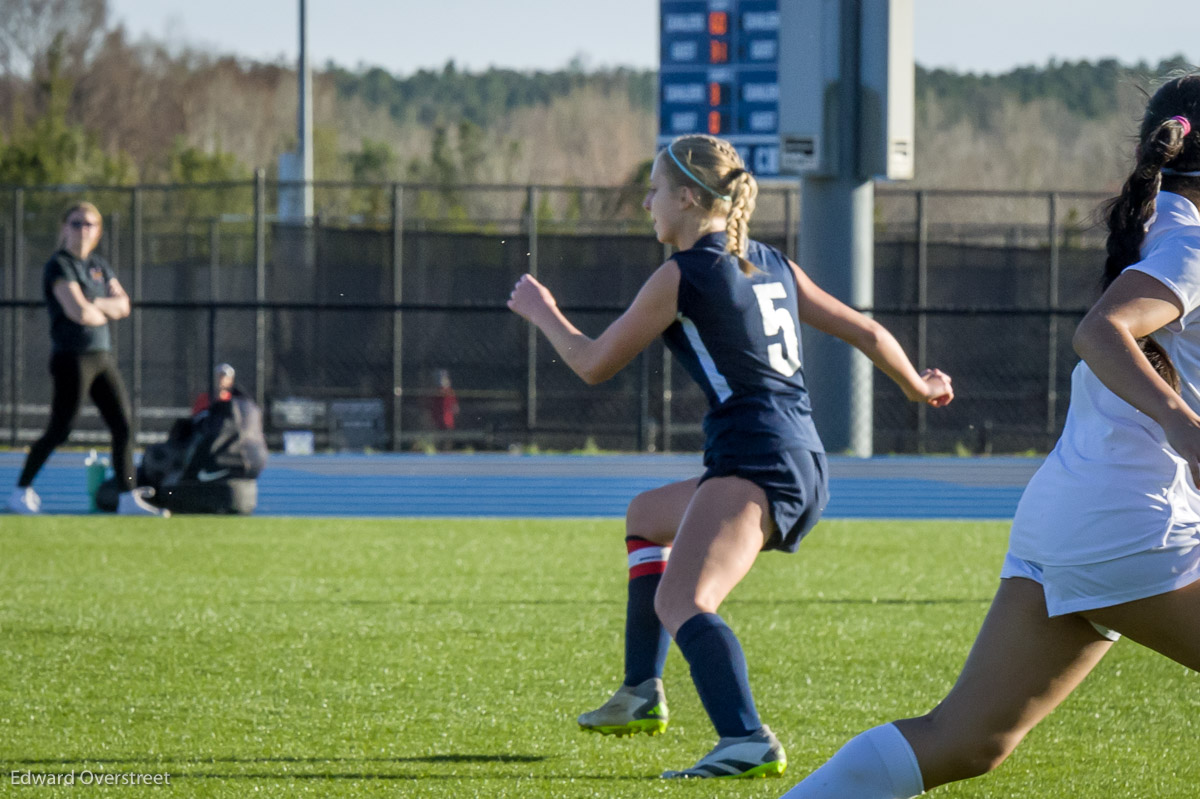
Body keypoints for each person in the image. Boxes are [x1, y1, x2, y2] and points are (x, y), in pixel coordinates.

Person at [778, 76, 1200, 799]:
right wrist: (1182, 424)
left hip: (1072, 521)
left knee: (966, 739)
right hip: (1135, 526)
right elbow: (1099, 332)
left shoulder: (1168, 232)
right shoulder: (1189, 241)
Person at [507, 134, 953, 779]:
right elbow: (866, 328)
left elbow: (593, 363)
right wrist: (920, 384)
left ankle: (746, 738)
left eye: (656, 192)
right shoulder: (770, 261)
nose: (648, 206)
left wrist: (542, 312)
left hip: (755, 461)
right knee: (645, 516)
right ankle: (640, 693)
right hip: (797, 454)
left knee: (684, 602)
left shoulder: (682, 276)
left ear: (689, 197)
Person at [6, 201, 166, 517]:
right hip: (72, 358)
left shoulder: (98, 266)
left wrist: (95, 303)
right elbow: (78, 312)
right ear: (64, 228)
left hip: (101, 355)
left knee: (123, 425)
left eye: (89, 224)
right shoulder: (59, 265)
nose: (82, 230)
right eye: (76, 223)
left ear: (98, 231)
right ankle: (20, 490)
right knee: (61, 429)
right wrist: (99, 307)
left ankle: (127, 495)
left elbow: (123, 305)